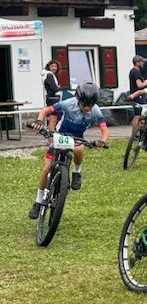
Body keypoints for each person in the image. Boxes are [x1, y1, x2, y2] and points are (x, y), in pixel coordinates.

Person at [28, 82, 109, 218]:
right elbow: (46, 110)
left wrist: (102, 140)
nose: (87, 108)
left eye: (90, 105)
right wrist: (40, 121)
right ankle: (38, 201)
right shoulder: (68, 103)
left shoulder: (96, 110)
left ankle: (77, 172)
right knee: (46, 169)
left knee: (78, 150)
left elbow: (104, 129)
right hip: (60, 135)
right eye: (84, 104)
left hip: (77, 138)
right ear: (78, 100)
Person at [129, 54, 147, 133]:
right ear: (137, 62)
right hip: (138, 97)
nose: (143, 63)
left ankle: (137, 133)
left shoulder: (134, 71)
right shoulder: (136, 72)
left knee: (139, 115)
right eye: (142, 62)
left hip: (137, 96)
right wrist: (146, 83)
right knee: (138, 115)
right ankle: (136, 133)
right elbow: (139, 85)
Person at [41, 60, 61, 131]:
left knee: (53, 119)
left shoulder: (48, 75)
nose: (54, 68)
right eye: (52, 66)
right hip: (53, 99)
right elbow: (55, 89)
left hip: (51, 98)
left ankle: (51, 134)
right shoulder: (49, 75)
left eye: (55, 66)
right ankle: (51, 136)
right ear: (48, 67)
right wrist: (59, 87)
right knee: (53, 120)